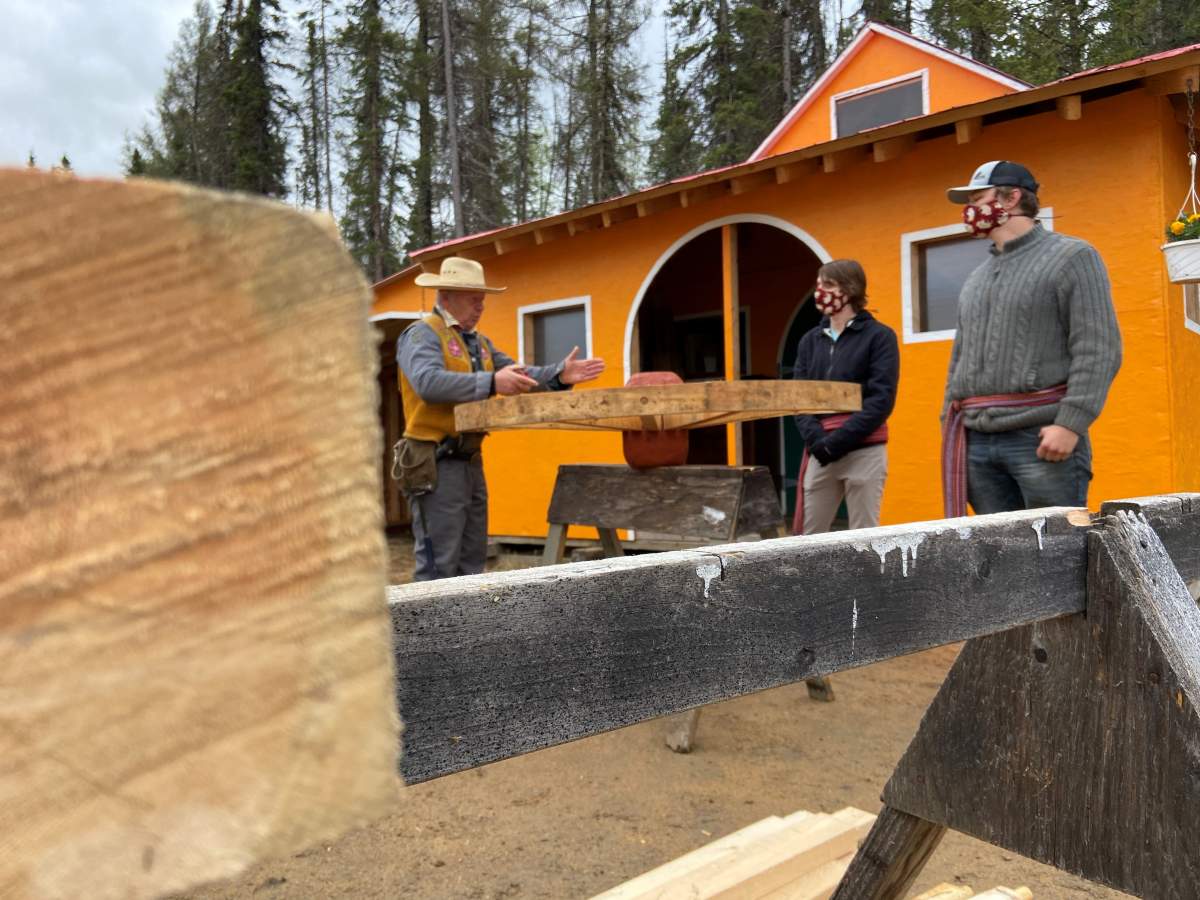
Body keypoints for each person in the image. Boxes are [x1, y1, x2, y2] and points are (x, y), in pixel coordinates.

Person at [395, 256, 605, 581]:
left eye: (482, 299)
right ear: (446, 295)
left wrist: (559, 375)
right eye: (473, 298)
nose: (481, 306)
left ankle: (468, 631)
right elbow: (428, 383)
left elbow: (519, 374)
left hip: (468, 460)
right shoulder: (421, 335)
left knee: (472, 560)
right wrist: (492, 382)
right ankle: (436, 632)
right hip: (434, 462)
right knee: (439, 566)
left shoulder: (479, 343)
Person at [941, 160, 1122, 517]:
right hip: (976, 443)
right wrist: (949, 426)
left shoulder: (1073, 257)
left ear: (1011, 198)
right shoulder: (977, 277)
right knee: (998, 557)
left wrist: (1071, 423)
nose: (970, 209)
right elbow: (958, 361)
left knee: (1056, 556)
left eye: (979, 198)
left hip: (1041, 440)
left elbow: (1098, 348)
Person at [792, 259, 900, 536]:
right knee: (809, 538)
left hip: (865, 451)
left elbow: (881, 400)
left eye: (828, 284)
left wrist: (837, 442)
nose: (819, 291)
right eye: (818, 285)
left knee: (864, 537)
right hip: (821, 452)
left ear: (850, 289)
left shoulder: (880, 337)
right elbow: (798, 397)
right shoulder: (809, 341)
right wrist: (818, 441)